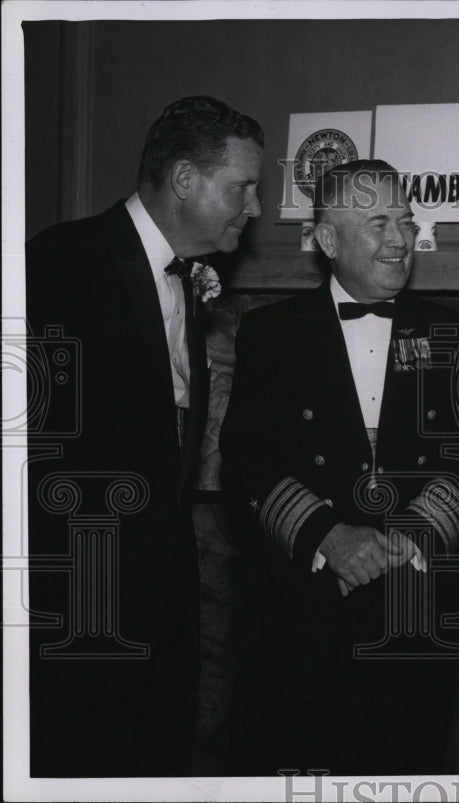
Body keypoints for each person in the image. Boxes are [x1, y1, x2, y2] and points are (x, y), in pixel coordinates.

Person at [26, 95, 264, 776]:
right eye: (240, 187)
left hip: (161, 584)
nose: (252, 206)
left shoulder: (191, 277)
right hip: (82, 594)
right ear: (185, 179)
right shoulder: (62, 263)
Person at [220, 159, 459, 775]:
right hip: (300, 623)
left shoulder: (455, 332)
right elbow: (248, 462)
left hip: (411, 622)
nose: (399, 238)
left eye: (407, 221)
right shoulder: (270, 333)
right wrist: (329, 538)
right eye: (379, 222)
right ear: (328, 240)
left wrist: (406, 537)